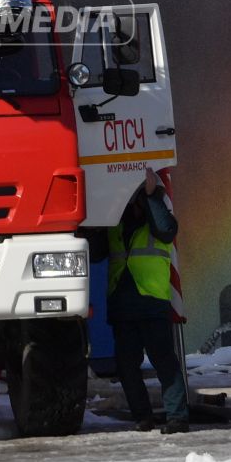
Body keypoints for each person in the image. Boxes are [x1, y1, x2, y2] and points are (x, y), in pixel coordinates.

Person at [89, 168, 189, 434]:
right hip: (123, 304)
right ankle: (142, 417)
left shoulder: (159, 217)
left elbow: (166, 231)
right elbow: (96, 253)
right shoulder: (115, 223)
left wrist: (151, 195)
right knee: (126, 366)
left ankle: (177, 417)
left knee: (164, 361)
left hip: (152, 301)